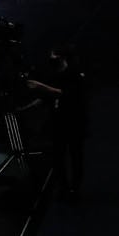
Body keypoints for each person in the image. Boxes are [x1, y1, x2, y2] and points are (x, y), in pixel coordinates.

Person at [26, 46, 87, 199]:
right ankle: (63, 188)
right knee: (58, 157)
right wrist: (26, 107)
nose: (51, 58)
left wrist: (40, 86)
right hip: (58, 122)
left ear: (62, 57)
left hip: (74, 121)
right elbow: (46, 97)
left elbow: (65, 93)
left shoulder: (74, 74)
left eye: (53, 56)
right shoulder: (53, 74)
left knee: (75, 156)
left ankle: (75, 188)